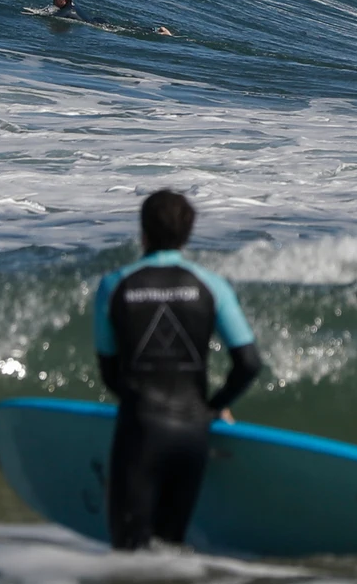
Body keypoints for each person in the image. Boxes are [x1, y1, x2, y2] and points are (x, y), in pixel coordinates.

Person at [92, 190, 261, 549]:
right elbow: (249, 363)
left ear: (143, 232)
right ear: (188, 233)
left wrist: (141, 403)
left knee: (129, 558)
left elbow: (109, 373)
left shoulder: (115, 285)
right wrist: (212, 406)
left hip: (140, 430)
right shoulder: (211, 285)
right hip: (191, 433)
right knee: (170, 553)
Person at [37, 0, 174, 36]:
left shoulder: (66, 10)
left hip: (97, 24)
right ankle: (155, 29)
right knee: (126, 28)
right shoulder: (72, 6)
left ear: (63, 0)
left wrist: (36, 15)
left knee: (126, 30)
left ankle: (157, 31)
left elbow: (53, 17)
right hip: (97, 20)